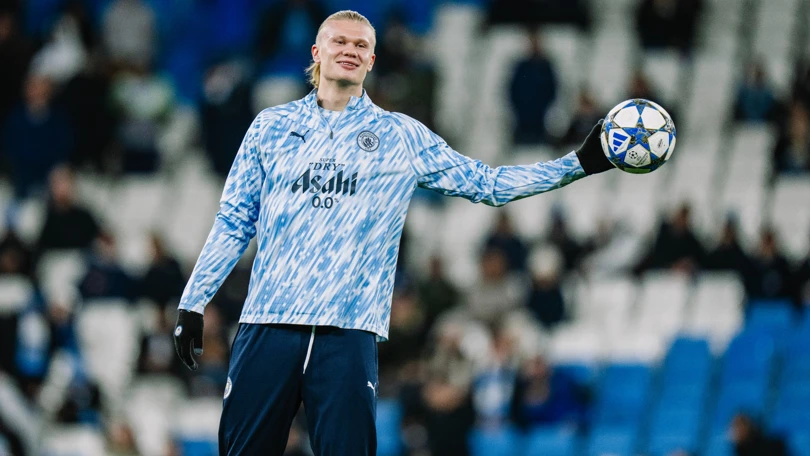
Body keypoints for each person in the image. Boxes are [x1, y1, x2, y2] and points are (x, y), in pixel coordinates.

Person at [172, 10, 611, 456]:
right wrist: (193, 302)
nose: (350, 50)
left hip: (348, 332)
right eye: (340, 41)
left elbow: (487, 184)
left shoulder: (401, 136)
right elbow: (234, 221)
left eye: (361, 45)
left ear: (371, 60)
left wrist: (576, 164)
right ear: (316, 52)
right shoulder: (270, 127)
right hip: (268, 322)